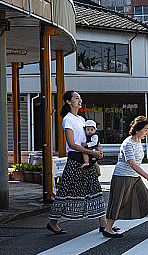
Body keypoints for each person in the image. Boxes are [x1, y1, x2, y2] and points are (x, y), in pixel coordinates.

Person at [46, 91, 111, 236]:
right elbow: (71, 144)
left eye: (80, 98)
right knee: (66, 191)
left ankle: (104, 225)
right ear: (69, 102)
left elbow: (89, 141)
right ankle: (52, 222)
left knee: (95, 189)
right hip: (75, 159)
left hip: (87, 158)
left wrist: (95, 161)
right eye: (76, 98)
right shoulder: (67, 119)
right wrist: (92, 154)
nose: (80, 100)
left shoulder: (82, 119)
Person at [103, 116, 148, 237]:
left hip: (134, 176)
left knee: (147, 199)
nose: (147, 133)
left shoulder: (138, 142)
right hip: (122, 176)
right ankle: (108, 229)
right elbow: (133, 164)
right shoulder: (128, 144)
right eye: (145, 130)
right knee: (118, 202)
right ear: (137, 129)